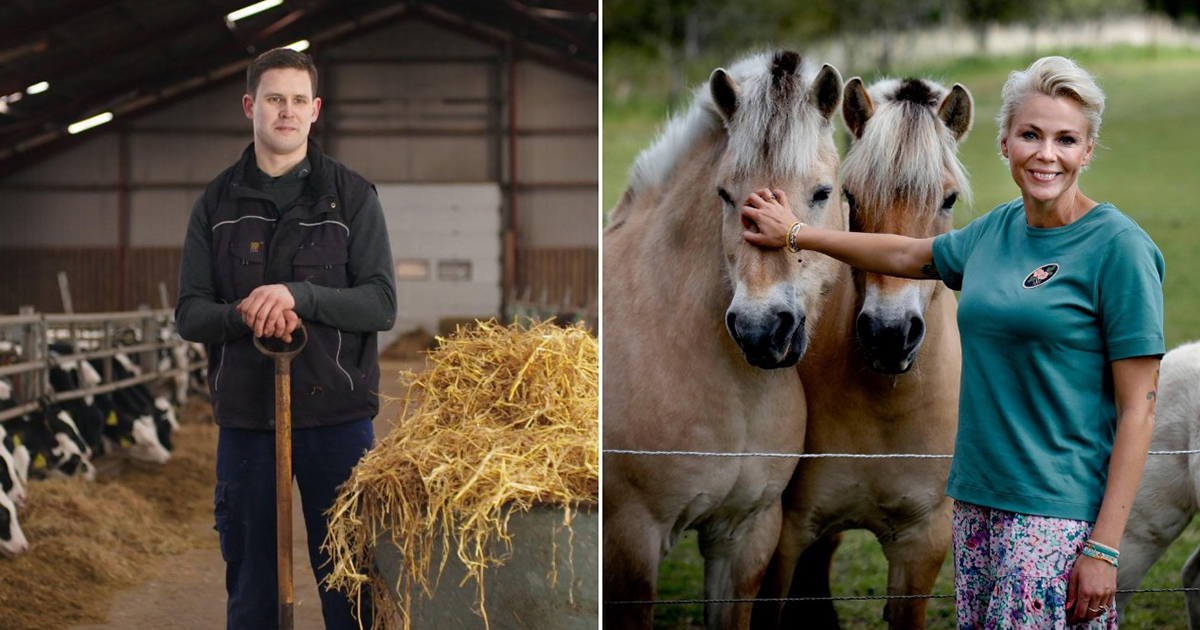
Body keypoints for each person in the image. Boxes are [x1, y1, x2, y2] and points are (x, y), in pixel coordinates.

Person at [740, 56, 1162, 628]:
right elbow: (908, 255)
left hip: (1054, 519)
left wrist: (1105, 547)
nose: (1046, 153)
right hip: (977, 508)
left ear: (1087, 150)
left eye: (1066, 139)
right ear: (1005, 143)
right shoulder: (994, 232)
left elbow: (1140, 408)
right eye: (1030, 135)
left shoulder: (1120, 249)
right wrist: (796, 233)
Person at [176, 47, 396, 630]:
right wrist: (245, 314)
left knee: (353, 579)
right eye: (274, 99)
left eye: (299, 100)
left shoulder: (352, 197)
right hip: (248, 418)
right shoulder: (215, 204)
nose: (287, 111)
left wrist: (301, 296)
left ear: (316, 109)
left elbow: (382, 302)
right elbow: (190, 313)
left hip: (339, 418)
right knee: (252, 586)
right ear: (250, 105)